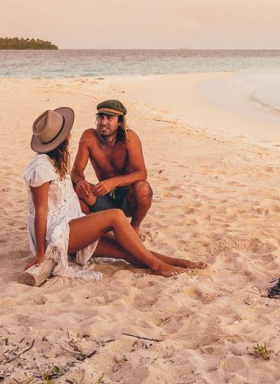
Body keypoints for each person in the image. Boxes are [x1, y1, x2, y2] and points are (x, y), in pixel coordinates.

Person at [24, 106, 204, 279]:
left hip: (70, 223)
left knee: (124, 250)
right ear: (62, 138)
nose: (70, 134)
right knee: (116, 216)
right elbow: (40, 210)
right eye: (66, 133)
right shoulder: (41, 168)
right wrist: (41, 253)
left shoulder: (54, 159)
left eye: (109, 118)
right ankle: (157, 267)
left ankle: (176, 261)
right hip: (56, 235)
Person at [71, 99, 153, 236]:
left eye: (109, 118)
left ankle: (134, 227)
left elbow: (142, 173)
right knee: (73, 189)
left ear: (120, 122)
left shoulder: (129, 138)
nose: (103, 122)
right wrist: (80, 181)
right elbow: (76, 171)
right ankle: (95, 230)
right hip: (103, 197)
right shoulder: (89, 136)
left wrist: (113, 182)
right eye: (100, 117)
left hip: (128, 199)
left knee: (143, 188)